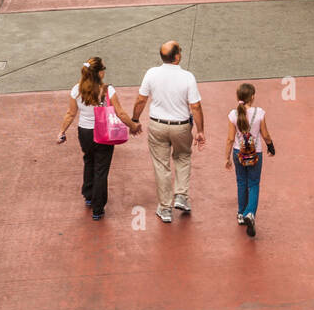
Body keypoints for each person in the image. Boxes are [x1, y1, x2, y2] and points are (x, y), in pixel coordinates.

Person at [57, 56, 139, 220]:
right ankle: (98, 207)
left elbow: (71, 113)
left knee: (89, 160)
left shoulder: (76, 90)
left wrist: (62, 131)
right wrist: (133, 126)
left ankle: (88, 194)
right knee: (101, 169)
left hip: (85, 132)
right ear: (100, 73)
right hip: (103, 133)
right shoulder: (108, 90)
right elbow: (120, 113)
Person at [132, 41, 204, 224]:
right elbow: (195, 106)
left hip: (157, 125)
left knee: (161, 166)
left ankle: (165, 208)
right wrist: (200, 130)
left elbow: (141, 100)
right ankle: (181, 195)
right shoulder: (188, 77)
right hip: (181, 126)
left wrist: (135, 120)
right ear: (177, 57)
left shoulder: (151, 73)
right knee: (183, 157)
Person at [224, 82, 274, 237]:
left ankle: (241, 213)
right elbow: (265, 134)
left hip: (238, 153)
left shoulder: (233, 115)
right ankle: (250, 213)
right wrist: (270, 146)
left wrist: (227, 157)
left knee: (241, 182)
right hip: (255, 153)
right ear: (252, 97)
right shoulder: (259, 113)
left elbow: (230, 139)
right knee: (253, 183)